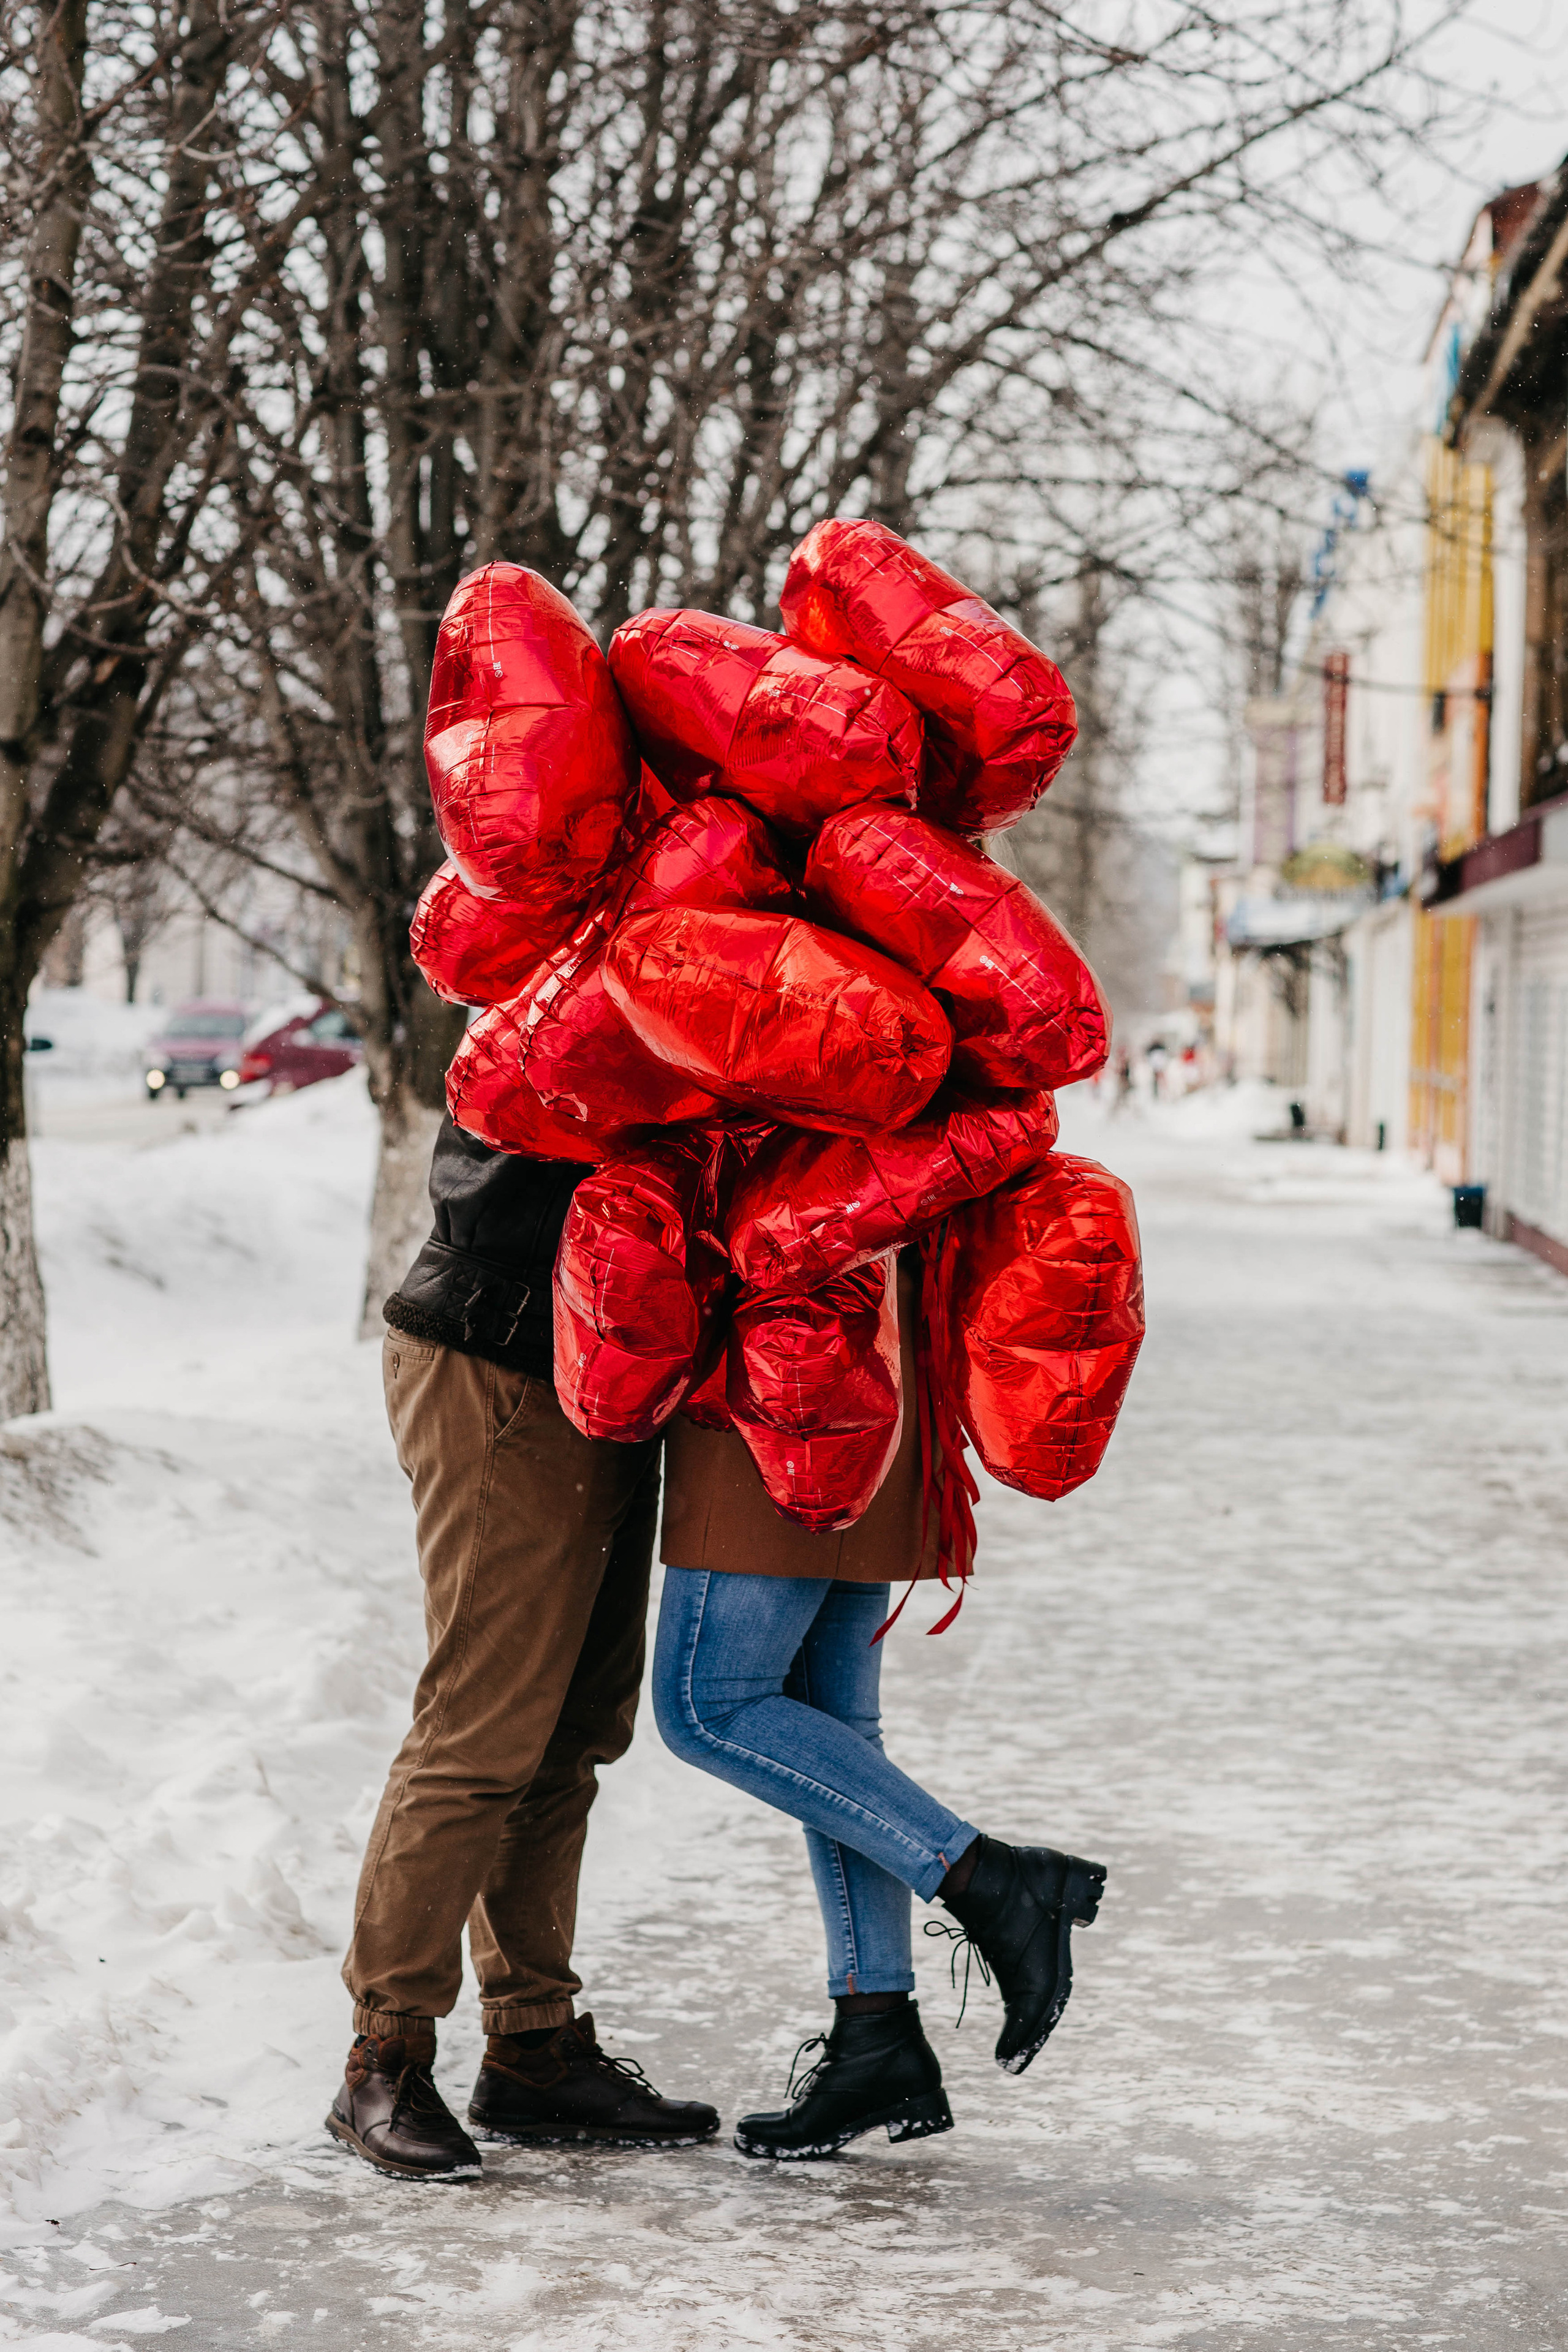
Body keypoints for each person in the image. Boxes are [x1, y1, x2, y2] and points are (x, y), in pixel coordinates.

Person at [327, 1117, 720, 2179]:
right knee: (482, 1728)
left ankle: (533, 2046)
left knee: (572, 1730)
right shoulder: (593, 971)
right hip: (504, 1349)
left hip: (607, 1362)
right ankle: (384, 2058)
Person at [652, 1251, 1106, 2162]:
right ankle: (876, 2035)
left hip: (789, 1349)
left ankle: (993, 1881)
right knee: (832, 1727)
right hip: (881, 1339)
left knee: (708, 1705)